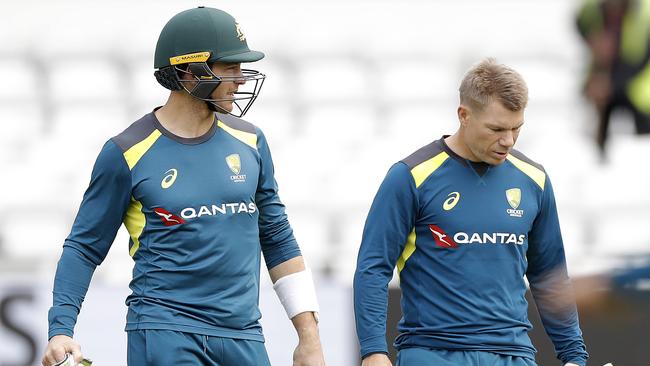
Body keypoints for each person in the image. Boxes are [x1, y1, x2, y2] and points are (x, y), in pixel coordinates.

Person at [41, 7, 325, 366]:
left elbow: (278, 238)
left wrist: (309, 337)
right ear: (190, 72)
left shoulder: (251, 141)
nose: (240, 79)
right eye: (230, 67)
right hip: (164, 333)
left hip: (244, 335)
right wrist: (61, 329)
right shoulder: (126, 152)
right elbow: (84, 247)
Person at [353, 59, 588, 366]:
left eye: (517, 128)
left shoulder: (535, 180)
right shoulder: (410, 176)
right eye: (496, 129)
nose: (508, 140)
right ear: (463, 115)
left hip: (514, 355)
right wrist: (373, 350)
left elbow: (550, 276)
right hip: (432, 353)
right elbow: (373, 267)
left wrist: (574, 356)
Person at [575, 0, 650, 156]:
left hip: (640, 90)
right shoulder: (593, 8)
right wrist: (592, 39)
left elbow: (642, 61)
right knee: (599, 136)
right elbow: (579, 21)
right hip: (603, 82)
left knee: (643, 144)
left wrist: (610, 84)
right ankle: (600, 157)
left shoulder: (645, 15)